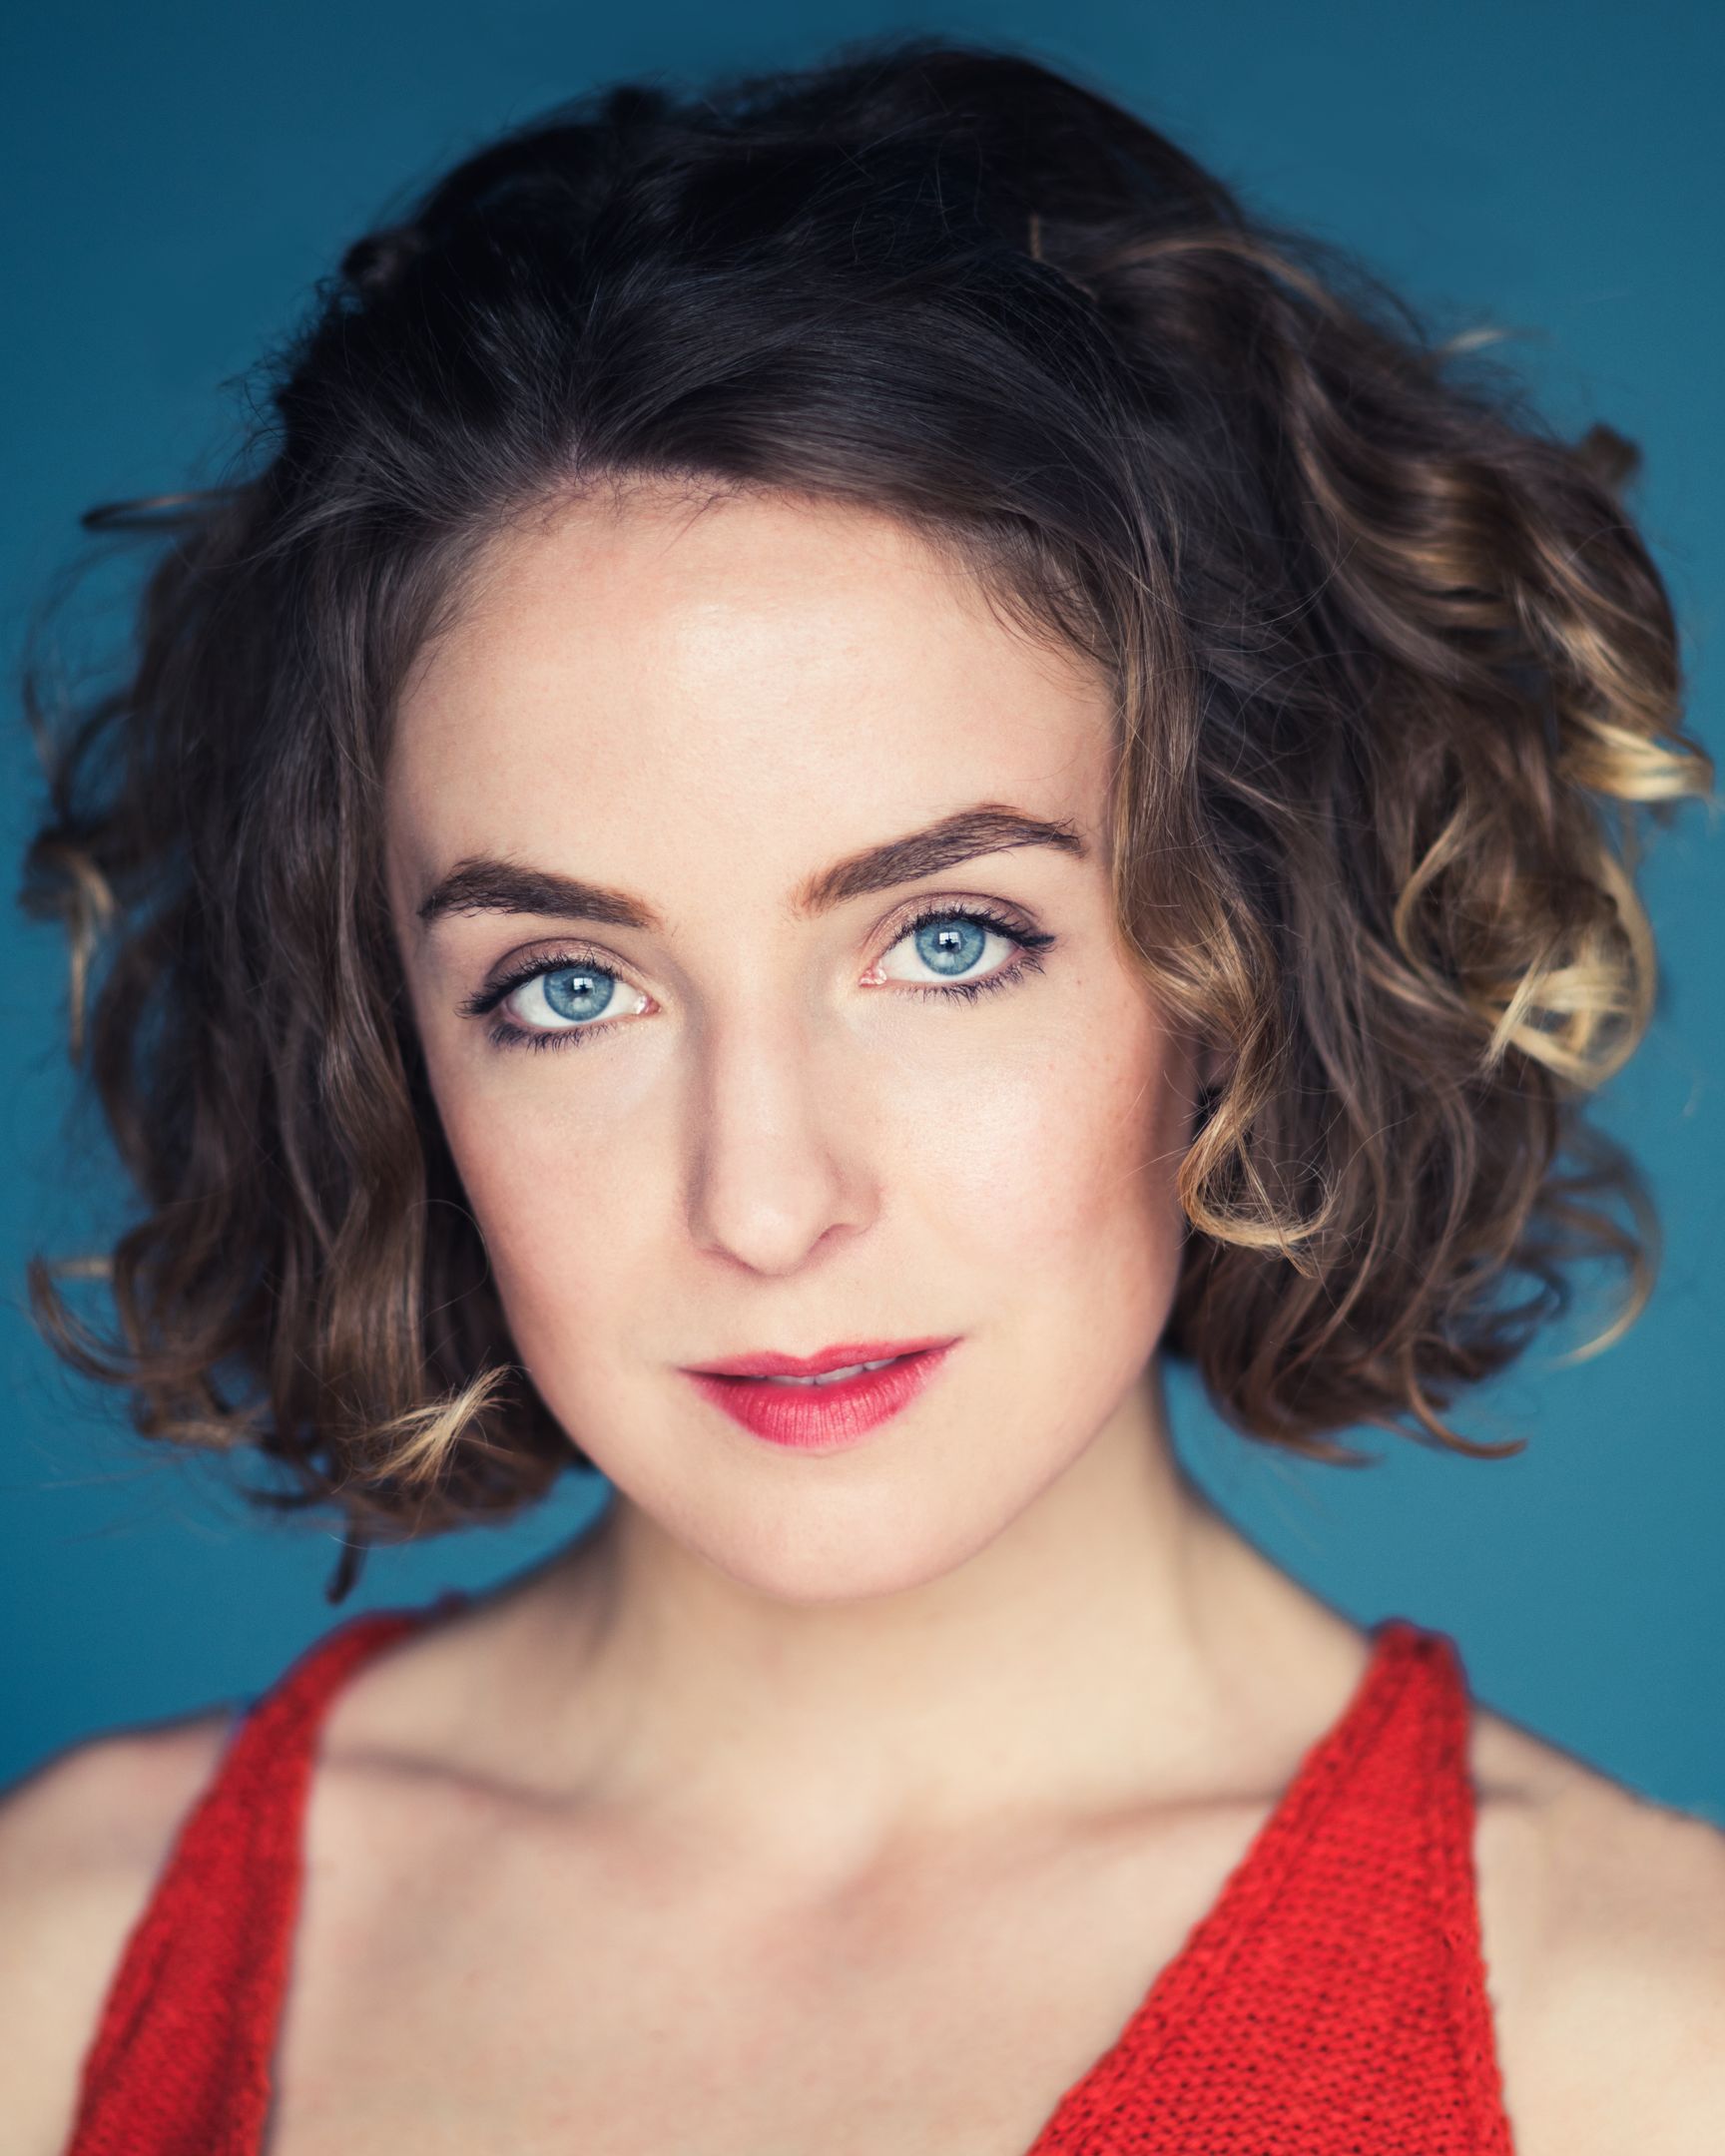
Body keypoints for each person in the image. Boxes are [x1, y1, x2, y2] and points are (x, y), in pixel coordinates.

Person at [1, 31, 1720, 2156]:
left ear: (1253, 947)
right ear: (391, 1047)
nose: (765, 1200)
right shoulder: (57, 1965)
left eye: (950, 942)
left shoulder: (1651, 2045)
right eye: (568, 987)